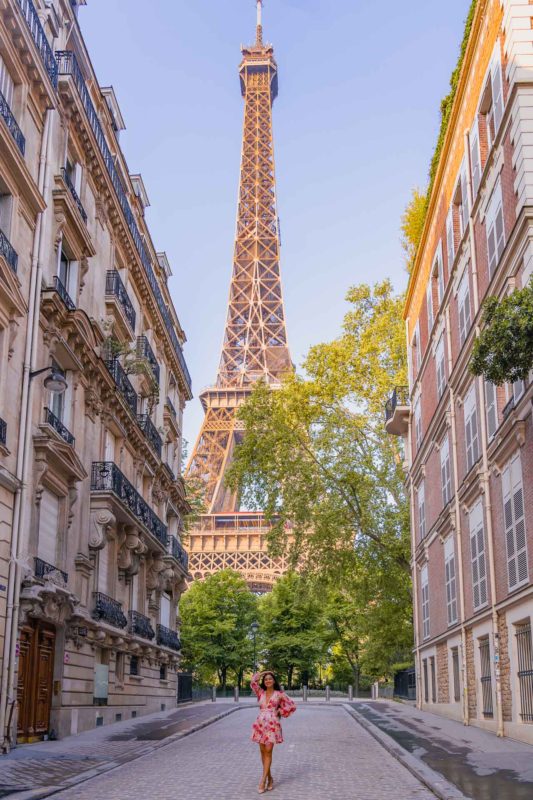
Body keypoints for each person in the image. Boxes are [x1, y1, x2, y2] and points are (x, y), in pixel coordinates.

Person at [250, 670, 296, 793]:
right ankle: (270, 778)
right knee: (263, 752)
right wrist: (264, 672)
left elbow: (292, 705)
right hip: (260, 725)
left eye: (270, 678)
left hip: (272, 725)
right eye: (266, 679)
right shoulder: (260, 693)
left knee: (268, 751)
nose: (268, 680)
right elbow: (253, 682)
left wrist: (280, 711)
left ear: (274, 681)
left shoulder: (279, 694)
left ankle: (262, 781)